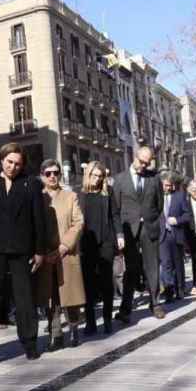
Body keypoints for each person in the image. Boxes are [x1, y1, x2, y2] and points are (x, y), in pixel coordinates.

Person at [0, 142, 47, 366]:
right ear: (1, 160)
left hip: (21, 250)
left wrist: (39, 251)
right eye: (9, 162)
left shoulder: (31, 184)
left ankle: (30, 344)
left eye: (17, 164)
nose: (13, 167)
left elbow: (39, 219)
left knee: (24, 298)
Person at [36, 159, 86, 351]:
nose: (52, 176)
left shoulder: (70, 196)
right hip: (46, 256)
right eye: (48, 173)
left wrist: (64, 246)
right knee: (51, 298)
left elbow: (78, 222)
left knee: (70, 296)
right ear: (42, 175)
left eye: (56, 172)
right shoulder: (37, 198)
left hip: (67, 254)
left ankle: (74, 330)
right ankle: (55, 335)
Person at [112, 146, 165, 322]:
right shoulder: (119, 180)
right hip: (129, 231)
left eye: (147, 163)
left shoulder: (154, 179)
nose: (144, 165)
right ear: (134, 157)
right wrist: (119, 234)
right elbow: (116, 211)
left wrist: (153, 221)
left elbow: (159, 205)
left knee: (152, 268)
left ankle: (155, 304)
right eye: (141, 161)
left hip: (149, 229)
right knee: (131, 270)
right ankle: (125, 309)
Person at [79, 161, 118, 335]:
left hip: (107, 241)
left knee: (106, 281)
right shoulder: (79, 194)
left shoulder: (108, 192)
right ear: (88, 175)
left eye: (100, 176)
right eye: (94, 175)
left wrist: (120, 237)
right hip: (87, 244)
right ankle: (91, 322)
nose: (97, 179)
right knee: (88, 283)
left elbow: (115, 215)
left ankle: (108, 319)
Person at [158, 171, 188, 302]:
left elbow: (187, 215)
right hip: (162, 235)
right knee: (166, 264)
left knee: (178, 264)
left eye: (170, 185)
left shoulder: (180, 196)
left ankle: (180, 290)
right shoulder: (156, 198)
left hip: (176, 234)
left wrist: (177, 220)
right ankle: (168, 292)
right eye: (165, 185)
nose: (168, 188)